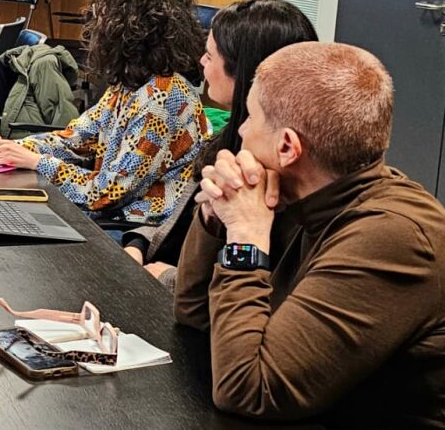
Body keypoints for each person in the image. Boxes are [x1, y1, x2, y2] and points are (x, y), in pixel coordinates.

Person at [174, 42, 445, 424]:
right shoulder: (303, 195)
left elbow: (249, 389)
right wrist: (216, 218)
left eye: (249, 117)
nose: (241, 130)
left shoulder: (394, 237)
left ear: (287, 147)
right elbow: (194, 314)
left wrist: (246, 236)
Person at [0, 0, 206, 225]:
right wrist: (8, 148)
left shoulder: (163, 99)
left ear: (128, 29)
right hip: (105, 215)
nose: (94, 26)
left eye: (102, 16)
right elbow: (76, 139)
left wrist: (37, 161)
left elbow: (106, 193)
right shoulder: (130, 84)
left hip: (130, 228)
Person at [120, 0, 317, 288]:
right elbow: (179, 227)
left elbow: (251, 281)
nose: (202, 61)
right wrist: (138, 244)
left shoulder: (277, 170)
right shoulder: (227, 139)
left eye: (210, 56)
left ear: (245, 72)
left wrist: (169, 278)